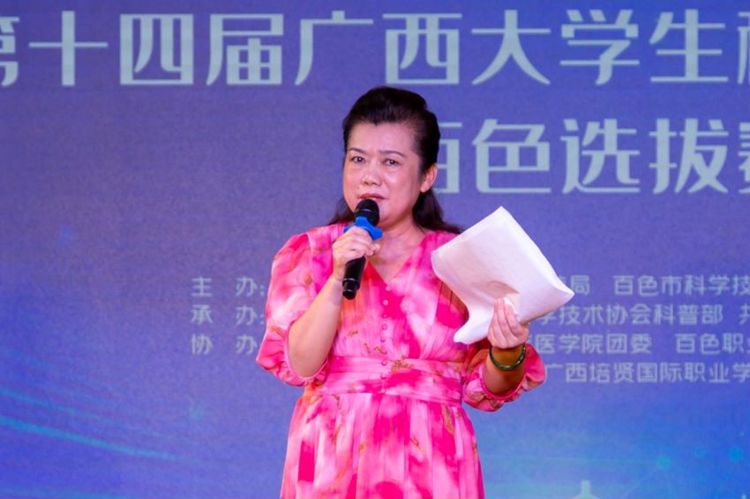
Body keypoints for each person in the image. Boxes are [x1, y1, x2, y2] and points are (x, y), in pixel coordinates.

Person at [256, 86, 545, 499]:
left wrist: (507, 350)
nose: (369, 176)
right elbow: (300, 365)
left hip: (432, 466)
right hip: (330, 463)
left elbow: (492, 388)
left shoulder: (460, 261)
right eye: (357, 159)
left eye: (390, 162)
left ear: (427, 176)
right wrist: (336, 280)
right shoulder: (312, 252)